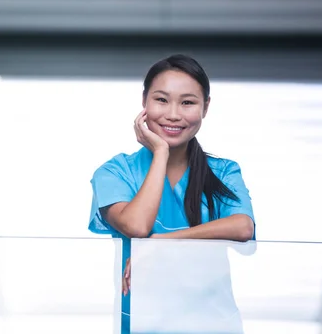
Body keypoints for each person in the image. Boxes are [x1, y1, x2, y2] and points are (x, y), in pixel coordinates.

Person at [88, 54, 256, 333]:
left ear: (206, 107)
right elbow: (137, 226)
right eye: (161, 100)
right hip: (144, 322)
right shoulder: (115, 171)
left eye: (188, 102)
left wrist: (163, 241)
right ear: (144, 102)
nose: (174, 114)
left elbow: (242, 226)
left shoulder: (224, 171)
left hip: (212, 323)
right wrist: (161, 153)